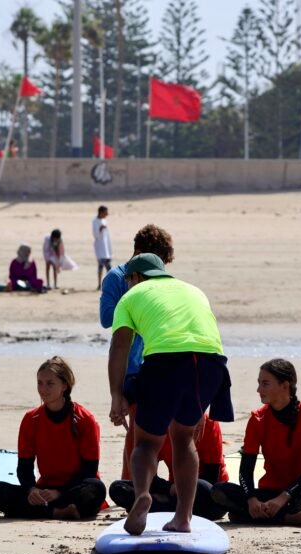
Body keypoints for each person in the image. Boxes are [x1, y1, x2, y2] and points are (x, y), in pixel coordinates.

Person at [108, 253, 234, 535]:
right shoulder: (193, 290)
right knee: (183, 437)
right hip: (212, 364)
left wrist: (117, 394)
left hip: (166, 362)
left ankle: (142, 494)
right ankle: (183, 518)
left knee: (147, 443)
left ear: (135, 277)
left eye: (128, 279)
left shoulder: (131, 297)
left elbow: (119, 347)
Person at [0, 357, 106, 520]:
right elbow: (24, 468)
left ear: (65, 385)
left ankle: (44, 510)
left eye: (50, 383)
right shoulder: (31, 419)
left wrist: (59, 492)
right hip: (44, 491)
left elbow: (89, 469)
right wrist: (31, 490)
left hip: (75, 489)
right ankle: (58, 512)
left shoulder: (84, 419)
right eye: (39, 383)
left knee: (96, 487)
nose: (43, 389)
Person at [211, 359, 301, 527]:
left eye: (265, 384)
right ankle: (287, 518)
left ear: (284, 386)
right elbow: (246, 469)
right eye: (259, 383)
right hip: (270, 492)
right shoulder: (258, 418)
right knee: (218, 491)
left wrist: (284, 497)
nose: (259, 390)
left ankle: (254, 516)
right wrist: (251, 499)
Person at [98, 225, 176, 478]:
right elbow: (106, 319)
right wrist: (134, 298)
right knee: (136, 431)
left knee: (162, 429)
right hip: (129, 366)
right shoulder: (116, 277)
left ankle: (155, 484)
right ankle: (129, 485)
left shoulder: (159, 280)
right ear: (139, 253)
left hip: (158, 361)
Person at [109, 414, 228, 521]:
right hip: (174, 490)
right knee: (118, 488)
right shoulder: (159, 427)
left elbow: (212, 475)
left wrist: (180, 491)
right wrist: (170, 488)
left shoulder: (209, 424)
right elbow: (148, 476)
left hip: (207, 494)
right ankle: (165, 505)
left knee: (202, 487)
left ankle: (160, 505)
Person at [92, 205, 112, 291]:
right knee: (102, 266)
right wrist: (100, 228)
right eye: (105, 212)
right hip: (99, 247)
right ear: (101, 212)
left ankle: (109, 283)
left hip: (106, 246)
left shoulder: (104, 220)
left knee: (108, 266)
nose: (107, 214)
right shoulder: (95, 221)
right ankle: (100, 284)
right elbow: (95, 235)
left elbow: (107, 236)